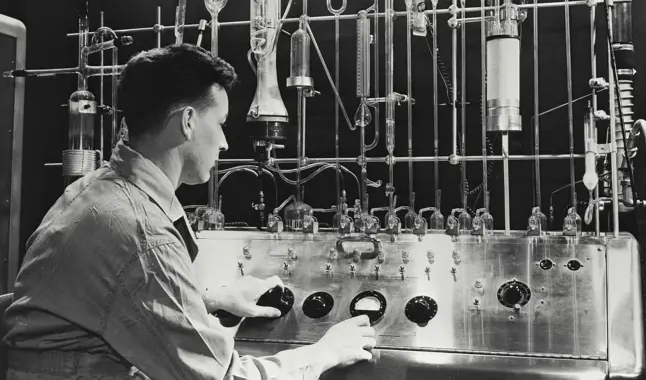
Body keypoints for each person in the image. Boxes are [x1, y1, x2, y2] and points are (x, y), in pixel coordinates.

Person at [3, 44, 376, 380]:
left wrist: (208, 300)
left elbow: (105, 305)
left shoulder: (91, 192)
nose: (226, 143)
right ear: (187, 122)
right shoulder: (142, 233)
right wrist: (323, 353)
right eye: (221, 124)